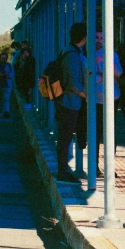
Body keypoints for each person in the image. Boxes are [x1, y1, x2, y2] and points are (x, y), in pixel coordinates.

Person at [56, 23, 88, 185]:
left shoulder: (66, 51)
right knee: (66, 137)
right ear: (83, 39)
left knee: (65, 137)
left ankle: (63, 169)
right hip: (69, 102)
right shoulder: (73, 56)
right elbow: (74, 83)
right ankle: (63, 171)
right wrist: (85, 96)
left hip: (65, 101)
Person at [94, 31, 123, 178]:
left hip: (112, 97)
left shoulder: (112, 54)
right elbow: (91, 77)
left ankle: (110, 167)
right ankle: (95, 167)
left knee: (111, 133)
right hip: (96, 100)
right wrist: (104, 72)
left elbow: (118, 72)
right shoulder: (88, 55)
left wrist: (103, 70)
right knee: (96, 133)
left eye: (101, 38)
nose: (99, 41)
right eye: (96, 38)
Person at [0, 52, 14, 119]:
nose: (3, 59)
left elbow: (13, 74)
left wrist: (8, 75)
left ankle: (6, 112)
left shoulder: (9, 66)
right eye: (2, 58)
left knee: (6, 99)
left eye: (4, 58)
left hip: (7, 85)